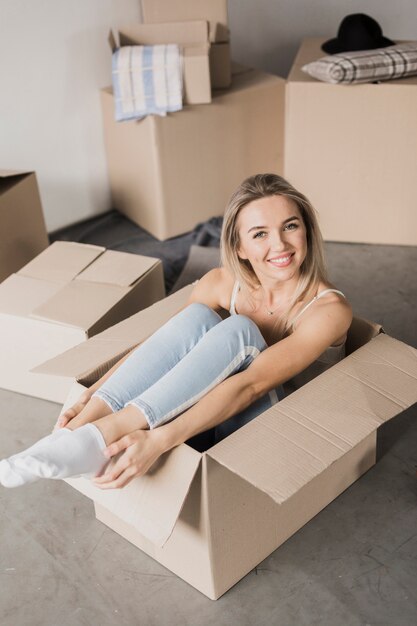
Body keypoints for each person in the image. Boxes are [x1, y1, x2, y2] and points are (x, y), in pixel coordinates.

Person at [0, 173, 352, 489]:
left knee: (240, 330)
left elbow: (251, 385)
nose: (280, 246)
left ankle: (100, 436)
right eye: (260, 234)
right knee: (198, 317)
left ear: (306, 229)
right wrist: (93, 393)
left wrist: (157, 442)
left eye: (290, 226)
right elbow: (164, 347)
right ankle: (75, 434)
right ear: (240, 248)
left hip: (273, 433)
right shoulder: (222, 282)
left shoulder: (328, 311)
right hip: (199, 409)